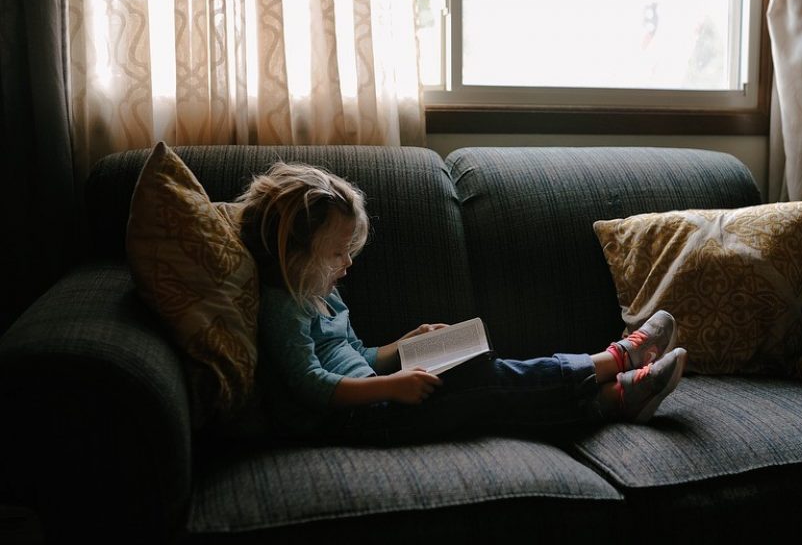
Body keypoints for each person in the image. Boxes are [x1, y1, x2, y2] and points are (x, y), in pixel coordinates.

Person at [238, 162, 687, 443]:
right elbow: (312, 384)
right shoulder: (283, 308)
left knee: (488, 385)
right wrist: (392, 386)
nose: (347, 264)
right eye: (336, 254)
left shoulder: (323, 294)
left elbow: (357, 357)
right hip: (360, 420)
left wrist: (402, 345)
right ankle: (616, 359)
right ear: (294, 253)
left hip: (377, 400)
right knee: (484, 382)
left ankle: (616, 397)